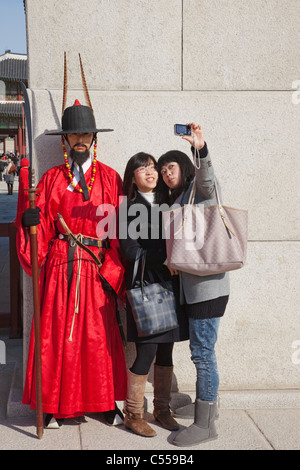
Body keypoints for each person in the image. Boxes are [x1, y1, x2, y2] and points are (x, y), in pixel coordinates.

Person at [16, 78, 127, 428]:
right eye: (74, 136)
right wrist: (29, 221)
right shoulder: (49, 179)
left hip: (96, 270)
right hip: (60, 269)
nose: (80, 141)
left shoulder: (110, 179)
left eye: (86, 136)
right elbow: (40, 233)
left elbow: (121, 233)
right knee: (55, 339)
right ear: (65, 140)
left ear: (95, 139)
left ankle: (103, 401)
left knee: (97, 339)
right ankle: (51, 405)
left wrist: (113, 271)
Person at [156, 123, 230, 447]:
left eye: (170, 167)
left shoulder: (197, 190)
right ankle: (209, 414)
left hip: (207, 288)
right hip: (195, 288)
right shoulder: (179, 198)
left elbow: (208, 180)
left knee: (202, 353)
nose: (166, 173)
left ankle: (204, 425)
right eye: (162, 170)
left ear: (184, 166)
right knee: (203, 351)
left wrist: (200, 148)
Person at [119, 152, 189, 437]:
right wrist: (165, 258)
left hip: (171, 287)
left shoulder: (168, 202)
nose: (150, 171)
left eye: (153, 167)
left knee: (167, 349)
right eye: (142, 168)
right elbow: (130, 251)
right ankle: (133, 413)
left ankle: (162, 409)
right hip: (147, 287)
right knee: (145, 351)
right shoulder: (127, 208)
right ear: (132, 177)